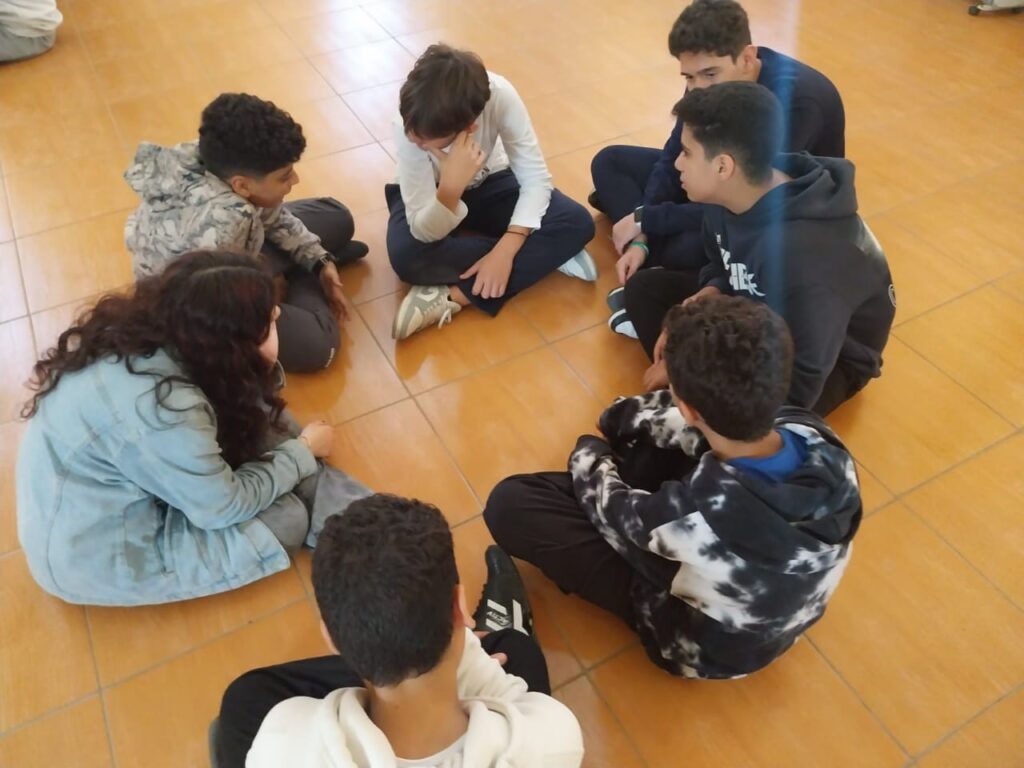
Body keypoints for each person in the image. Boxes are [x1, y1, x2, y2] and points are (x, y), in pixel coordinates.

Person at [484, 295, 863, 679]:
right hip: (765, 611)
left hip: (697, 645)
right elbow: (688, 425)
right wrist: (622, 420)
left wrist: (591, 450)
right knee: (669, 441)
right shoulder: (817, 436)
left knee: (511, 505)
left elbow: (613, 509)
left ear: (688, 408)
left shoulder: (690, 517)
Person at [16, 251, 371, 607]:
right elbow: (223, 506)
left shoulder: (151, 330)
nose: (279, 325)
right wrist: (302, 452)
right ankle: (373, 542)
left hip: (121, 476)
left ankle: (370, 534)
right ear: (232, 345)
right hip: (93, 552)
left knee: (261, 419)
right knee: (288, 517)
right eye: (272, 321)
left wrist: (296, 452)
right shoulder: (164, 409)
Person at [218, 494, 584, 768]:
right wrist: (459, 647)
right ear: (460, 608)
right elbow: (521, 708)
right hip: (469, 670)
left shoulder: (280, 738)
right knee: (516, 647)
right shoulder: (554, 738)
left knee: (246, 695)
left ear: (331, 637)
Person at [629, 81, 893, 415]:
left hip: (829, 361)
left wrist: (689, 373)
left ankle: (689, 403)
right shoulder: (727, 195)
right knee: (643, 290)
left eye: (687, 153)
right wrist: (706, 296)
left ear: (723, 166)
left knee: (734, 421)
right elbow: (720, 264)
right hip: (758, 310)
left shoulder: (809, 258)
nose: (677, 164)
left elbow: (801, 381)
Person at [590, 0, 845, 337]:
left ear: (747, 58)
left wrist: (647, 217)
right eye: (689, 77)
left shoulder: (796, 103)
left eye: (710, 74)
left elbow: (747, 202)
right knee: (610, 163)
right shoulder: (704, 82)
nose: (698, 88)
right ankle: (652, 254)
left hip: (768, 218)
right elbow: (673, 153)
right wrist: (644, 232)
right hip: (715, 176)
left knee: (692, 245)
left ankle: (668, 278)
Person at [124, 92, 369, 373]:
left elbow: (271, 216)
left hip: (235, 251)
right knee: (319, 347)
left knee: (337, 216)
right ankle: (302, 276)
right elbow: (222, 311)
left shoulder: (216, 161)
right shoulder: (228, 222)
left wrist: (318, 259)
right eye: (285, 176)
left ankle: (305, 266)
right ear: (242, 186)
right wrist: (269, 291)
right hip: (206, 303)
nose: (296, 180)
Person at [386, 44, 598, 340]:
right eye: (410, 130)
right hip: (430, 193)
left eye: (426, 139)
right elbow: (424, 231)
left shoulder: (500, 96)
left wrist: (507, 249)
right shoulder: (409, 120)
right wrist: (451, 187)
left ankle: (452, 296)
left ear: (469, 127)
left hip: (491, 179)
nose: (413, 139)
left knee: (577, 222)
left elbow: (535, 179)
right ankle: (545, 253)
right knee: (406, 256)